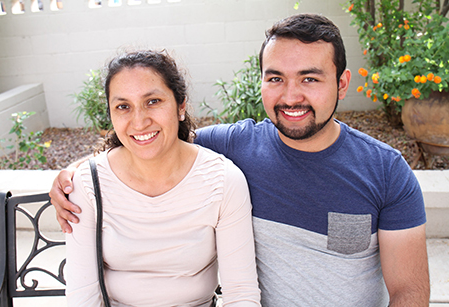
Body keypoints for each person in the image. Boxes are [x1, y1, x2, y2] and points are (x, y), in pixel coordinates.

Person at [52, 14, 430, 307]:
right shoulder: (235, 146)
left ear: (342, 83)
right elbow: (152, 142)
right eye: (276, 78)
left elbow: (409, 293)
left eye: (310, 79)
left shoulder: (385, 172)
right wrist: (75, 175)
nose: (291, 96)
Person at [64, 50, 261, 307]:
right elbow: (83, 297)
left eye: (153, 101)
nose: (139, 121)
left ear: (181, 106)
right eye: (123, 106)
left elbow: (241, 294)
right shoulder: (88, 185)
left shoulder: (223, 181)